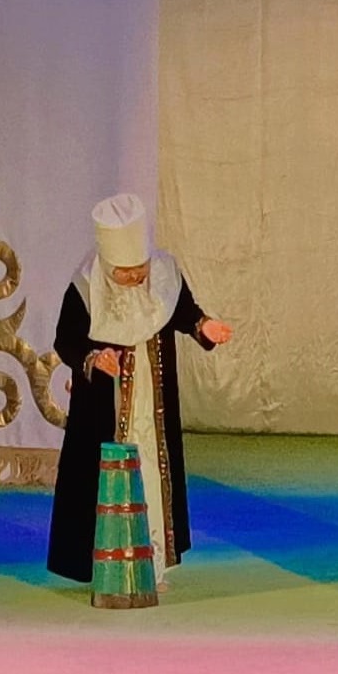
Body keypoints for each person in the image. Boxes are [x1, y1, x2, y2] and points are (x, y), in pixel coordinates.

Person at [48, 194, 233, 590]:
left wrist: (204, 326)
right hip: (104, 407)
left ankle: (153, 563)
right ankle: (106, 566)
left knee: (152, 473)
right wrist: (95, 357)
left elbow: (183, 311)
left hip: (154, 401)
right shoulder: (85, 286)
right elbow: (66, 339)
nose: (134, 278)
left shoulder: (164, 273)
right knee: (105, 481)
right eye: (125, 272)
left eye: (139, 269)